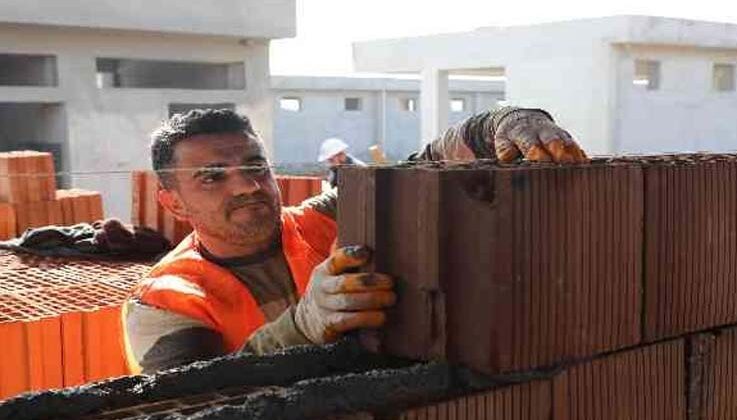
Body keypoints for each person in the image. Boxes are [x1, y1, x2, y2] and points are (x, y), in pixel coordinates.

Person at [122, 107, 587, 374]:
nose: (245, 186)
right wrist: (303, 326)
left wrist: (499, 124)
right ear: (174, 203)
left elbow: (420, 170)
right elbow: (191, 401)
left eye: (254, 167)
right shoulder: (165, 302)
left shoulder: (321, 219)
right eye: (211, 177)